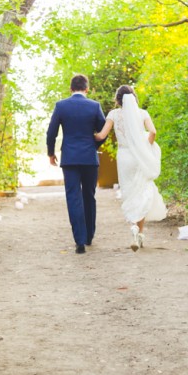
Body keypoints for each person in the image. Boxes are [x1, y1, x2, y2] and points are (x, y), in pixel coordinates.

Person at [95, 85, 166, 251]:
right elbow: (153, 132)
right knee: (140, 191)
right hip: (138, 156)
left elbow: (101, 135)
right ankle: (139, 231)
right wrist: (144, 147)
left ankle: (136, 230)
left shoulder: (113, 114)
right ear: (134, 97)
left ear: (118, 99)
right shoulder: (143, 114)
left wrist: (88, 134)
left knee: (129, 192)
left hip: (124, 157)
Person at [47, 74, 107, 254]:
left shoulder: (61, 106)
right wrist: (93, 145)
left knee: (73, 197)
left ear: (70, 89)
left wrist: (51, 153)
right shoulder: (94, 106)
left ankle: (79, 241)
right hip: (89, 158)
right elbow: (103, 131)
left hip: (70, 159)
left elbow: (51, 132)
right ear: (87, 89)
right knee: (89, 195)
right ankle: (89, 236)